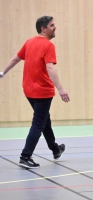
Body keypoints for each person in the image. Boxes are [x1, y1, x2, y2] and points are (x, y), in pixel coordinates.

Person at [0, 16, 70, 169]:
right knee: (38, 123)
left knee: (45, 120)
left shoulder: (29, 42)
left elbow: (15, 59)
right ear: (43, 28)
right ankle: (25, 156)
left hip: (28, 90)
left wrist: (2, 73)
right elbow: (50, 68)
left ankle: (55, 149)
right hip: (42, 91)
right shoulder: (48, 46)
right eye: (52, 25)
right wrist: (61, 88)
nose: (55, 27)